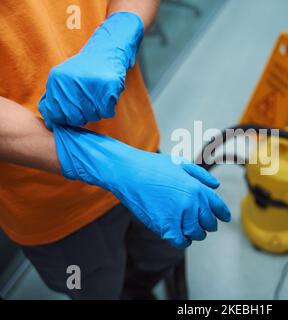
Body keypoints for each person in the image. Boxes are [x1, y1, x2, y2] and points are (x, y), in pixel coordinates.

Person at [0, 0, 230, 300]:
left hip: (139, 148)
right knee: (99, 289)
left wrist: (120, 31)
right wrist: (103, 162)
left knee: (159, 256)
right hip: (52, 204)